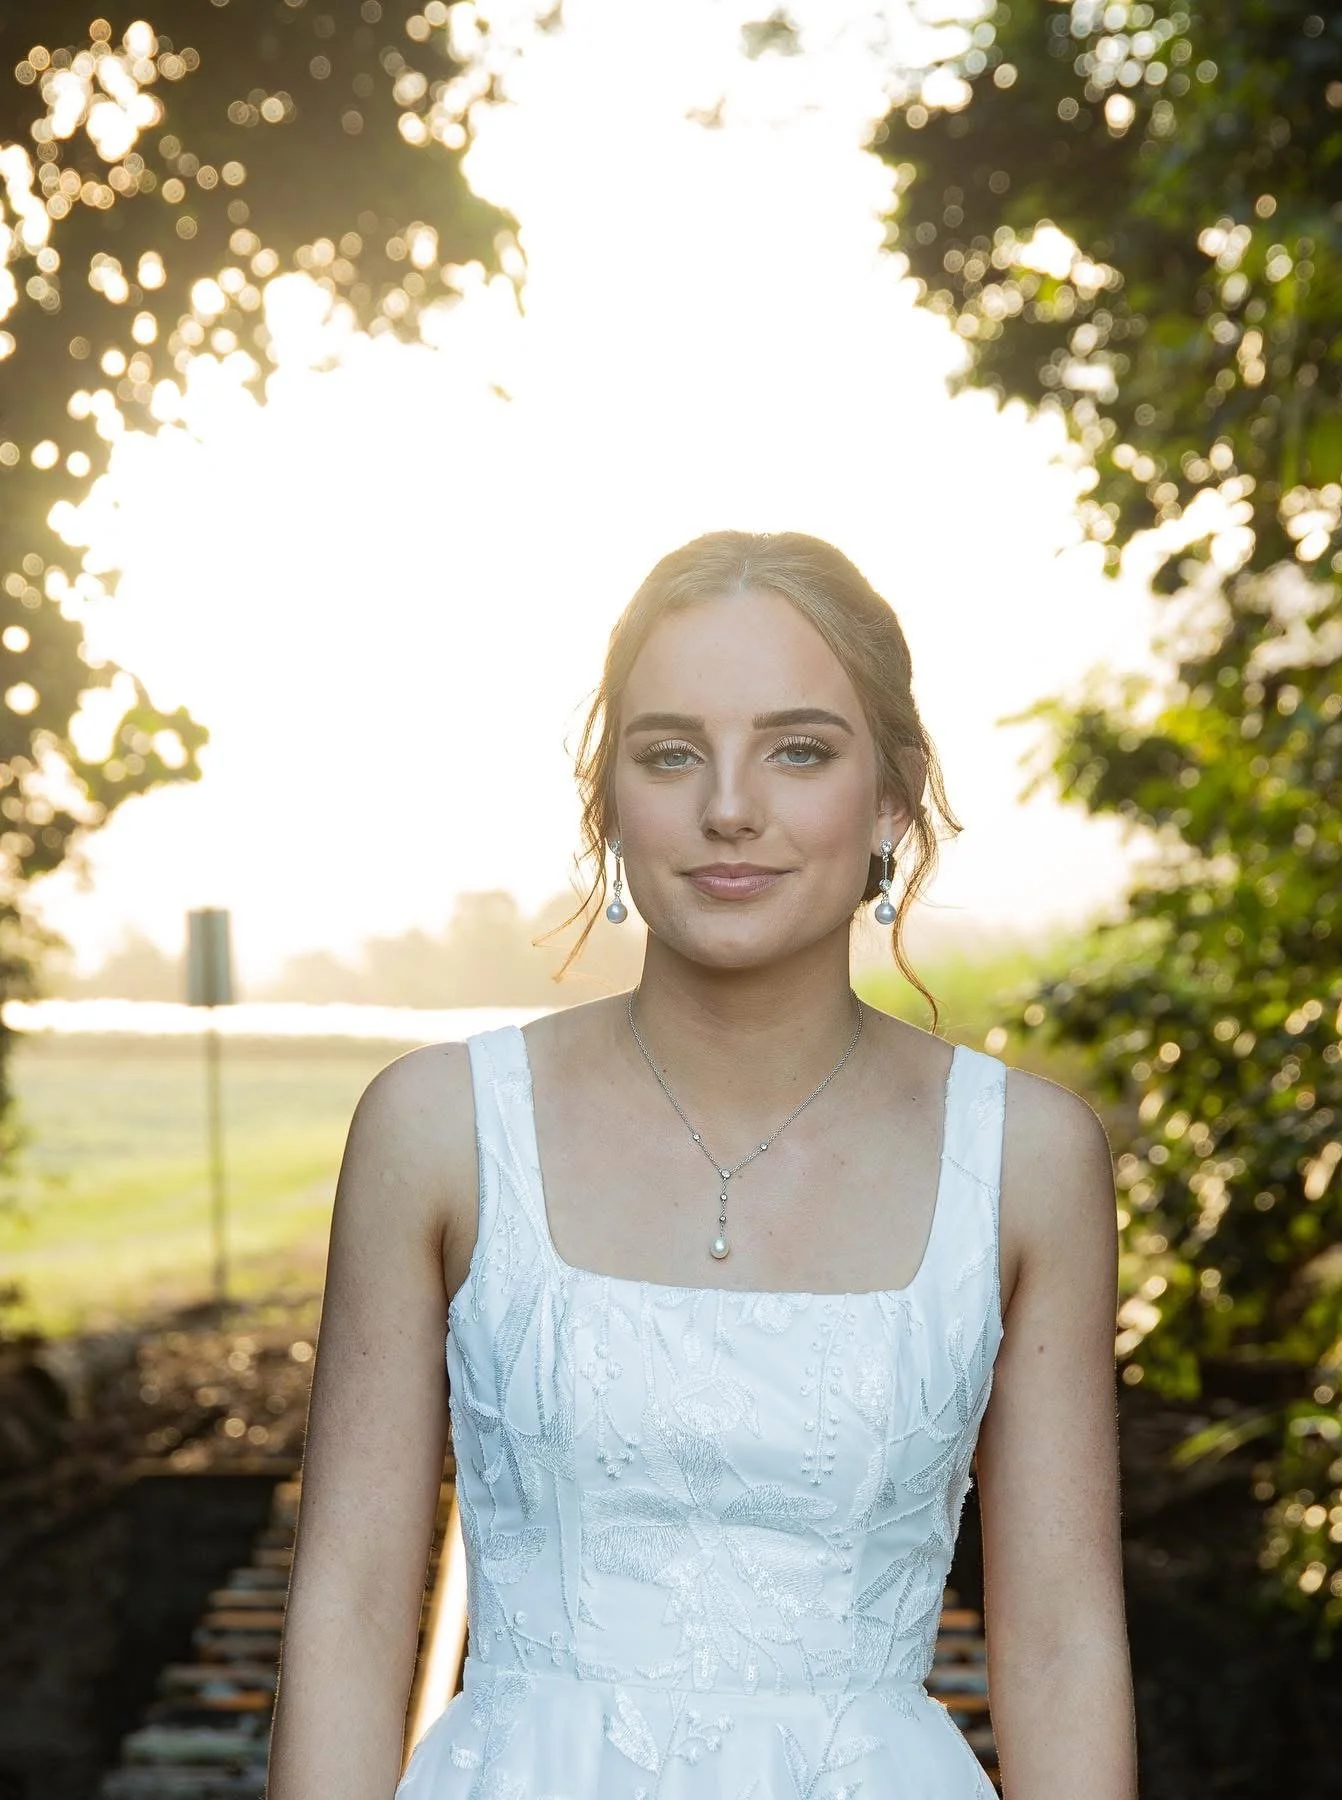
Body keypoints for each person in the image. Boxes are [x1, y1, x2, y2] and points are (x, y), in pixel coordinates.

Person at [265, 530, 1137, 1800]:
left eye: (799, 749)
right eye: (671, 753)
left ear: (892, 796)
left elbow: (1059, 1642)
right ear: (609, 799)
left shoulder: (1029, 1160)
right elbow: (347, 1610)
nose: (731, 805)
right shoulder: (435, 1127)